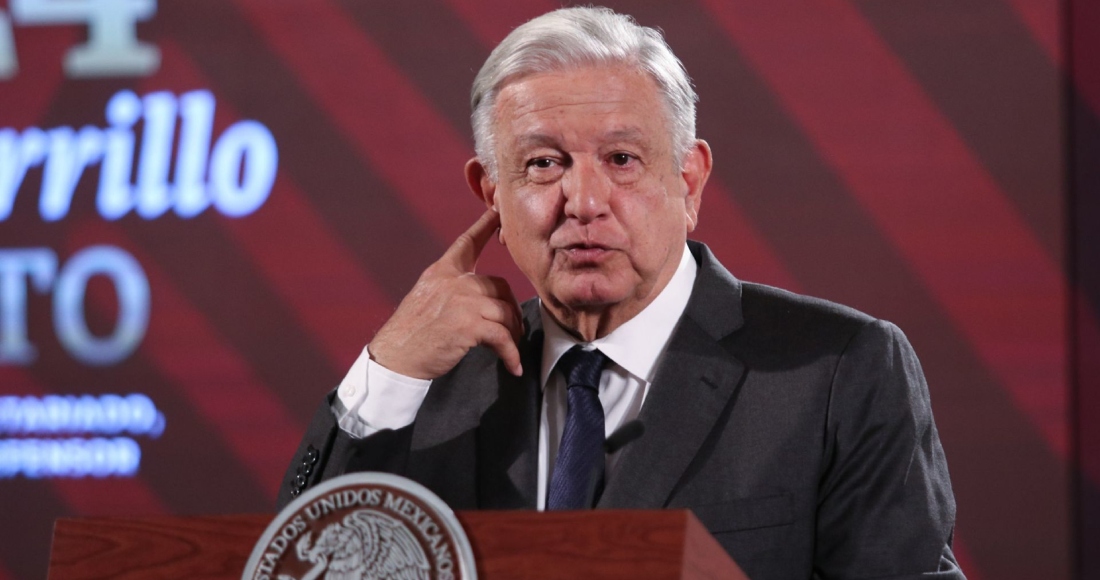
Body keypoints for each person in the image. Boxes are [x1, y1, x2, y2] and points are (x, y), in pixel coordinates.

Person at [279, 7, 964, 578]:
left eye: (622, 160)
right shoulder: (433, 389)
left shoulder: (837, 370)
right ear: (492, 195)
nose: (583, 201)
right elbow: (289, 563)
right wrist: (385, 372)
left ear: (688, 182)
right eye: (543, 164)